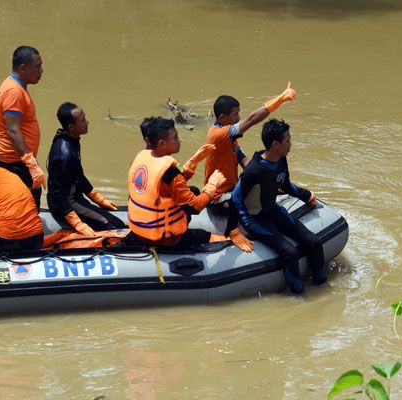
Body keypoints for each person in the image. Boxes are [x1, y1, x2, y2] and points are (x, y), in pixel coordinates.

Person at [183, 82, 297, 250]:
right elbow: (251, 120)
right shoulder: (218, 134)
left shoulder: (231, 138)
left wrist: (267, 177)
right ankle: (233, 230)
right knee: (249, 195)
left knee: (257, 185)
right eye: (235, 115)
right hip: (218, 198)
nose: (238, 118)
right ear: (222, 118)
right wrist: (280, 99)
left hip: (230, 189)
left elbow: (244, 161)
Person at [232, 119, 325, 294]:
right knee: (290, 253)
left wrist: (306, 195)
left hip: (273, 210)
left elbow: (286, 185)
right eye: (287, 140)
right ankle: (299, 295)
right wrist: (234, 229)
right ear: (276, 144)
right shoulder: (254, 170)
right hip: (255, 219)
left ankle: (322, 285)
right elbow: (236, 197)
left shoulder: (281, 160)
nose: (290, 144)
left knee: (314, 242)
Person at [126, 117, 227, 248]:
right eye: (175, 137)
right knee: (205, 235)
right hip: (161, 237)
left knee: (193, 190)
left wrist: (194, 160)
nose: (179, 140)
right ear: (162, 143)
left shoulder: (141, 157)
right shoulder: (170, 172)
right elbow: (194, 207)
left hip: (139, 226)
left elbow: (169, 183)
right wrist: (212, 186)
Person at [47, 102, 125, 235]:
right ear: (71, 127)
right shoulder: (65, 155)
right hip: (66, 204)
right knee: (114, 225)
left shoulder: (69, 139)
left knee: (110, 219)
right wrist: (77, 223)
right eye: (82, 120)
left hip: (74, 197)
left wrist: (99, 199)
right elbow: (58, 195)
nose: (87, 122)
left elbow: (78, 175)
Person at [0, 45, 45, 209]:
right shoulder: (14, 91)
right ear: (23, 68)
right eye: (37, 66)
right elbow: (13, 130)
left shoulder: (15, 86)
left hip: (19, 161)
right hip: (15, 163)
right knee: (27, 208)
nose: (41, 71)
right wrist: (31, 164)